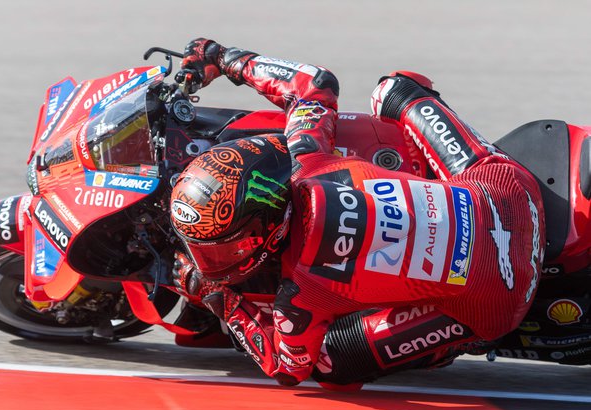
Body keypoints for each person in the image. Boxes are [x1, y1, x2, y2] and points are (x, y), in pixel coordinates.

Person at [170, 38, 546, 387]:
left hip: (500, 300)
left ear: (271, 227)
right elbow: (315, 83)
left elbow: (287, 369)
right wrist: (225, 58)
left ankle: (450, 345)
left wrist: (215, 295)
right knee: (392, 90)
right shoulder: (309, 158)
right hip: (511, 193)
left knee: (329, 366)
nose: (211, 260)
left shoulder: (300, 293)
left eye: (223, 248)